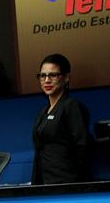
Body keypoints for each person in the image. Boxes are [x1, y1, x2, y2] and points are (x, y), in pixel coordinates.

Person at [32, 53, 92, 184]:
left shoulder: (72, 106)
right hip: (45, 182)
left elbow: (83, 146)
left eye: (53, 75)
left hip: (67, 182)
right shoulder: (44, 112)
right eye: (43, 75)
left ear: (66, 77)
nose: (47, 80)